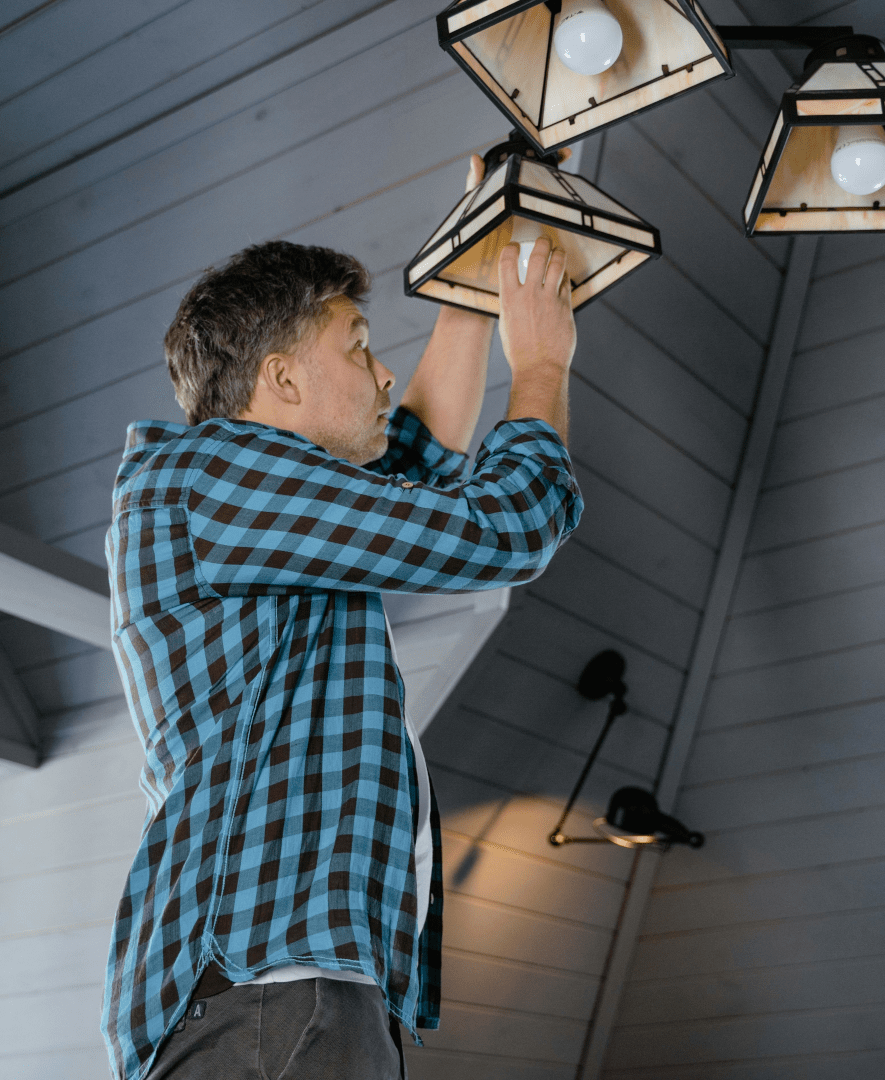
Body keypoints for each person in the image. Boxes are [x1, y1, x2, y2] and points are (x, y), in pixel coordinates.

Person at [101, 154, 582, 1080]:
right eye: (357, 346)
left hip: (278, 995)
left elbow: (415, 463)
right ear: (279, 380)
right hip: (269, 993)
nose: (382, 368)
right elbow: (503, 527)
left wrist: (471, 283)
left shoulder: (264, 510)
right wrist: (545, 366)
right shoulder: (206, 476)